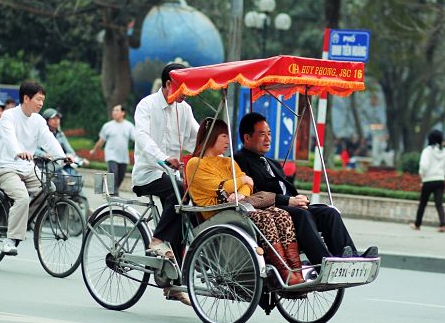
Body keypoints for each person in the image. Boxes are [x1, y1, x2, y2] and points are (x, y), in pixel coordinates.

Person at [234, 112, 378, 266]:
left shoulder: (272, 163)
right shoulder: (239, 161)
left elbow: (287, 189)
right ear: (247, 138)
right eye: (262, 134)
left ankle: (350, 257)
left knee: (329, 212)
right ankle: (324, 261)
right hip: (269, 212)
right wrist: (289, 201)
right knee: (302, 215)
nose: (268, 139)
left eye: (269, 133)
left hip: (290, 205)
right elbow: (254, 195)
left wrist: (300, 200)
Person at [186, 118, 304, 285]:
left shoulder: (228, 161)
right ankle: (284, 271)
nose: (228, 141)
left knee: (281, 214)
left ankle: (295, 270)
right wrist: (242, 181)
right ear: (211, 137)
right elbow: (221, 187)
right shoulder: (195, 164)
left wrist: (241, 192)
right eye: (224, 136)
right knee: (264, 218)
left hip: (238, 207)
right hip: (216, 213)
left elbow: (249, 186)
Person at [132, 63, 199, 304]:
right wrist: (162, 158)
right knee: (180, 192)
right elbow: (142, 137)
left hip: (174, 176)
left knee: (185, 216)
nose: (187, 92)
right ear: (169, 84)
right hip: (149, 172)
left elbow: (196, 138)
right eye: (184, 86)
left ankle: (174, 284)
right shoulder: (147, 105)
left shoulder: (185, 109)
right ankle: (157, 240)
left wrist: (217, 154)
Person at [0, 81, 71, 256]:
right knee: (22, 197)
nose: (41, 103)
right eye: (38, 99)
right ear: (26, 98)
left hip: (27, 167)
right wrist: (18, 152)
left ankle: (23, 220)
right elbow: (10, 138)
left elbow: (49, 140)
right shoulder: (8, 116)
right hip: (5, 166)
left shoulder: (38, 120)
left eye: (43, 100)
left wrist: (63, 157)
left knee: (50, 188)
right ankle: (10, 240)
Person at [410, 130, 445, 232]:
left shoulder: (427, 151)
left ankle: (417, 224)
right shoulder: (444, 151)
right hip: (440, 180)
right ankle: (443, 224)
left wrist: (422, 174)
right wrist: (443, 173)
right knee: (439, 203)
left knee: (423, 203)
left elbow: (424, 166)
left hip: (428, 180)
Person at [90, 104, 135, 194]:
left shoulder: (129, 126)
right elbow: (101, 141)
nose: (114, 112)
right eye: (113, 110)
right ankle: (113, 193)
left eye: (117, 110)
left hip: (123, 156)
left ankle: (110, 189)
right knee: (113, 173)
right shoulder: (107, 126)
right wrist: (94, 150)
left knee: (121, 176)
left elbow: (136, 139)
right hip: (111, 154)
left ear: (123, 113)